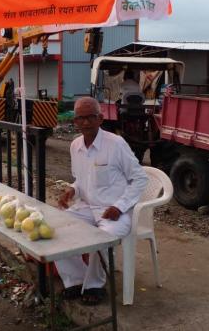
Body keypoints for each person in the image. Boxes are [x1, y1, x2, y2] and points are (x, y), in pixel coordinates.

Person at [56, 96, 148, 305]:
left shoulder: (116, 144)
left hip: (115, 211)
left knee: (101, 237)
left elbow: (140, 178)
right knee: (57, 228)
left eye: (91, 117)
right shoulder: (75, 146)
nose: (86, 122)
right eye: (81, 118)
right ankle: (76, 280)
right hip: (87, 207)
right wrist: (71, 190)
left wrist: (119, 206)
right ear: (75, 121)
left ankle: (95, 285)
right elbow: (81, 178)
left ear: (101, 118)